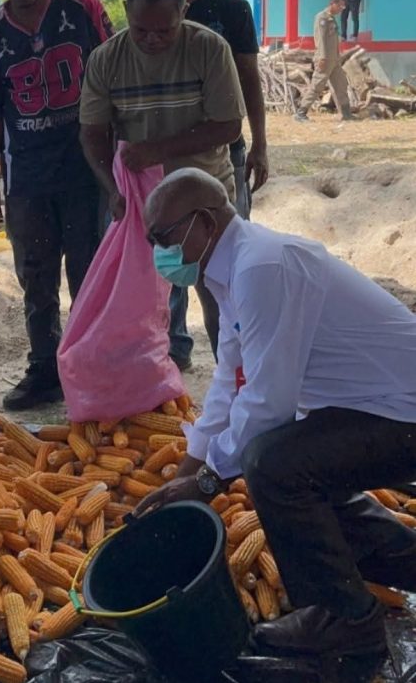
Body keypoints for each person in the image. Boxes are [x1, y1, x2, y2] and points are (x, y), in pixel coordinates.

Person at [133, 167, 416, 657]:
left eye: (162, 237)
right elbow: (228, 383)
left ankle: (345, 619)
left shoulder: (261, 268)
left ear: (203, 223)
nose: (158, 251)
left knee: (272, 463)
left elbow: (269, 402)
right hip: (379, 408)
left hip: (405, 413)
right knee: (288, 461)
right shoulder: (233, 269)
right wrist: (189, 471)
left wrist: (209, 482)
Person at [0, 0, 114, 410]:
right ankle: (45, 369)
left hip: (84, 169)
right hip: (27, 176)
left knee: (87, 273)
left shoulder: (84, 10)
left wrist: (117, 164)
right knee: (35, 277)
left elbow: (114, 80)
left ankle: (91, 366)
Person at [79, 0, 246, 369]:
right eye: (141, 30)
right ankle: (149, 384)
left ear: (185, 10)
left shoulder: (209, 48)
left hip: (205, 199)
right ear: (125, 12)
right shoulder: (107, 59)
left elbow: (228, 125)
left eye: (165, 31)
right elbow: (91, 135)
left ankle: (237, 378)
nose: (152, 40)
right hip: (141, 201)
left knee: (220, 293)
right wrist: (112, 189)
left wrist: (157, 150)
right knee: (139, 301)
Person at [156, 0, 268, 367]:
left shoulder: (230, 9)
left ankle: (234, 355)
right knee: (171, 254)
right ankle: (174, 350)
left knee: (223, 254)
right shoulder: (154, 13)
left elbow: (249, 78)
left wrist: (259, 144)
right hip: (167, 153)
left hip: (223, 151)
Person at [295, 0, 353, 122]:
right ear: (333, 3)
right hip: (325, 59)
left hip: (334, 60)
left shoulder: (332, 18)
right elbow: (320, 39)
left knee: (341, 85)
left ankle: (346, 114)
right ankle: (301, 112)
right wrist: (322, 57)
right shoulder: (322, 18)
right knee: (317, 86)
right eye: (340, 6)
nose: (341, 9)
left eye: (343, 7)